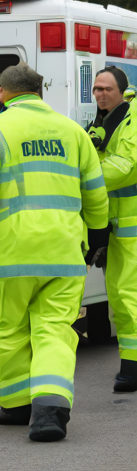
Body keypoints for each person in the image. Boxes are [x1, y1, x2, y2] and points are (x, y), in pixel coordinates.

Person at [0, 63, 108, 442]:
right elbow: (95, 192)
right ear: (40, 93)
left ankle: (17, 406)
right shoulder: (73, 132)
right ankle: (50, 411)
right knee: (55, 330)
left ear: (2, 92)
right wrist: (96, 235)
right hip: (62, 252)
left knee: (8, 330)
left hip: (11, 255)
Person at [88, 66, 137, 392]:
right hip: (117, 223)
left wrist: (86, 172)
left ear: (122, 90)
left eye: (106, 89)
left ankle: (132, 369)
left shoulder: (130, 120)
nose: (100, 94)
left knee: (127, 295)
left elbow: (125, 167)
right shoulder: (106, 118)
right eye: (96, 89)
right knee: (121, 295)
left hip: (131, 223)